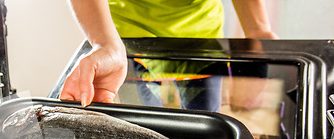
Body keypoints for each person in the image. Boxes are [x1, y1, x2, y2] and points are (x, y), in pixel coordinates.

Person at [60, 0, 278, 108]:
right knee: (147, 130)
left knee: (206, 130)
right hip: (131, 40)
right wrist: (105, 43)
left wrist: (258, 30)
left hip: (202, 41)